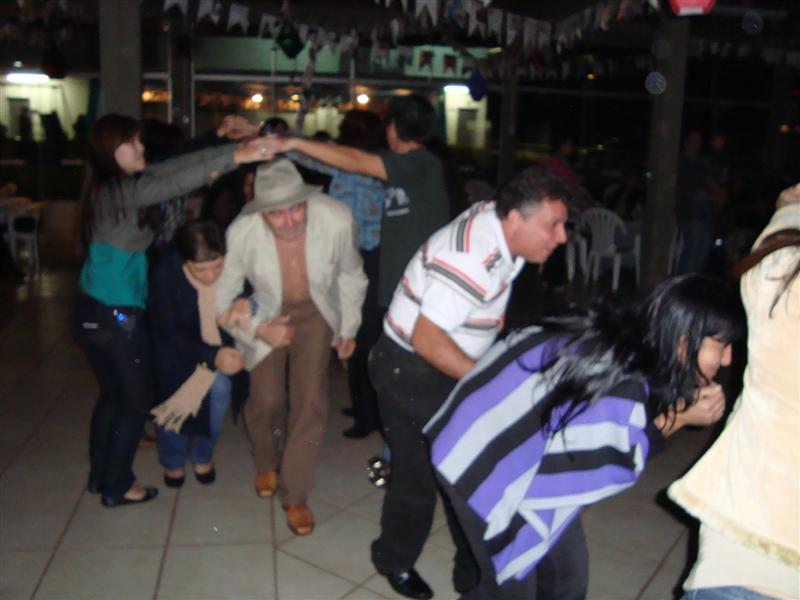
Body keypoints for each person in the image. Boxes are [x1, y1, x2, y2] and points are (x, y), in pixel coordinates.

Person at [425, 273, 744, 599]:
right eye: (721, 345)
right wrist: (677, 419)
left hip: (494, 443)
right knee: (511, 590)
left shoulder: (631, 337)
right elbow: (602, 464)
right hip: (474, 461)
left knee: (566, 577)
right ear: (683, 341)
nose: (728, 359)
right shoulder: (624, 375)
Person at [366, 167, 574, 599]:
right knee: (422, 477)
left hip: (443, 363)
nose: (562, 237)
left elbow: (489, 286)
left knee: (468, 473)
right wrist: (491, 383)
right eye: (553, 225)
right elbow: (427, 340)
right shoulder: (471, 256)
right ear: (515, 218)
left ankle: (473, 572)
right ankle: (395, 560)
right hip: (411, 370)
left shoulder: (502, 227)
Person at [73, 113, 272, 508]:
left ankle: (100, 476)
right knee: (133, 403)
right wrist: (236, 155)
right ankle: (117, 485)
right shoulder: (121, 192)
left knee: (113, 398)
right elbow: (177, 181)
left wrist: (219, 139)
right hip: (116, 315)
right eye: (133, 142)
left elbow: (172, 166)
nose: (141, 147)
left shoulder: (111, 187)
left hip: (93, 309)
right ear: (110, 150)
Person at [216, 159, 367, 536]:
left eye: (296, 208)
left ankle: (296, 493)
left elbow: (351, 274)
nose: (289, 221)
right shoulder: (242, 231)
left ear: (306, 200)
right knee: (267, 399)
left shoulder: (335, 219)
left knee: (310, 401)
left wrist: (348, 327)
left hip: (316, 310)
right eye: (277, 213)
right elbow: (221, 298)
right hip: (265, 308)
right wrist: (259, 330)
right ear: (260, 211)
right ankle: (266, 459)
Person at [668, 184, 800, 600]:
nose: (728, 361)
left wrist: (787, 210)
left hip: (752, 547)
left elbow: (774, 265)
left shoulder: (784, 284)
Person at [263, 93, 451, 312]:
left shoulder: (419, 164)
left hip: (411, 286)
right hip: (395, 279)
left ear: (392, 127)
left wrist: (293, 142)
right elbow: (331, 158)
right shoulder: (408, 165)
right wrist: (282, 142)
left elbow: (354, 161)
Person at [287, 109, 387, 438]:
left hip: (360, 258)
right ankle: (363, 406)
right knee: (360, 333)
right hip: (369, 257)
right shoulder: (377, 166)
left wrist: (278, 142)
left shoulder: (347, 164)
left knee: (358, 334)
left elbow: (305, 155)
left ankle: (367, 414)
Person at [147, 221, 245, 488]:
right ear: (184, 260)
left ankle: (203, 454)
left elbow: (255, 294)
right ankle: (173, 461)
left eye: (217, 266)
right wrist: (211, 355)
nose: (211, 276)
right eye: (201, 269)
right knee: (173, 401)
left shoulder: (234, 264)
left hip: (217, 346)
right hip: (173, 351)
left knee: (221, 389)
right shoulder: (165, 272)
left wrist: (245, 303)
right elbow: (167, 332)